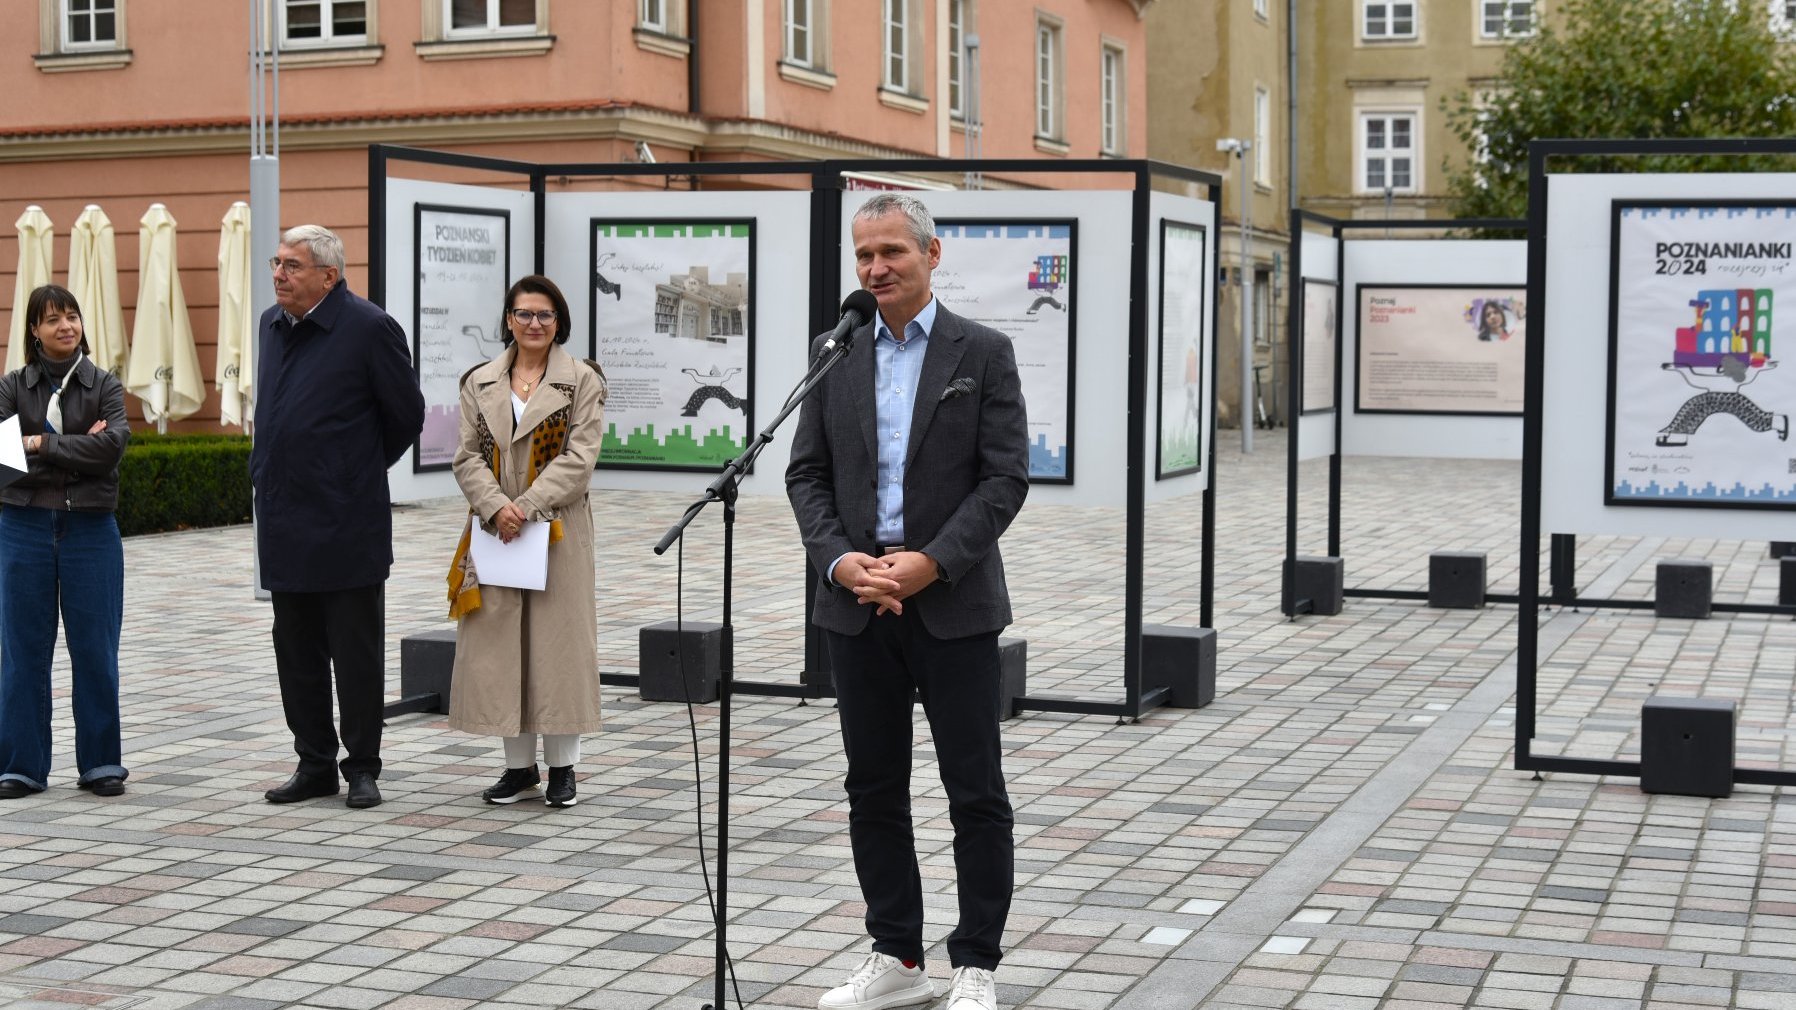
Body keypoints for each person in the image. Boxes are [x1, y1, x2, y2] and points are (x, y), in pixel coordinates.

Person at [786, 193, 1030, 1010]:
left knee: (975, 789)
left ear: (932, 252)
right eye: (864, 256)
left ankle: (977, 963)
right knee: (873, 787)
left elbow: (1004, 479)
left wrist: (932, 562)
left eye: (892, 252)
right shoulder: (835, 349)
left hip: (951, 605)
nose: (876, 269)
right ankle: (897, 955)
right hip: (858, 607)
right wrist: (837, 560)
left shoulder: (982, 352)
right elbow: (806, 474)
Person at [250, 225, 424, 809]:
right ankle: (314, 762)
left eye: (292, 266)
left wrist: (353, 470)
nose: (279, 273)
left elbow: (405, 415)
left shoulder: (370, 328)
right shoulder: (271, 326)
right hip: (284, 517)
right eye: (277, 263)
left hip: (347, 519)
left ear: (329, 275)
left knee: (354, 652)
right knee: (294, 649)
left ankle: (364, 766)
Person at [445, 275, 605, 808]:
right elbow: (466, 455)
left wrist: (528, 507)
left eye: (544, 315)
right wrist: (497, 507)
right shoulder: (480, 381)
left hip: (556, 527)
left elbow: (580, 459)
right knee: (501, 645)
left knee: (558, 648)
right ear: (508, 319)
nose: (533, 324)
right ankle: (518, 768)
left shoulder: (581, 380)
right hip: (495, 530)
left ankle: (564, 768)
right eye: (523, 314)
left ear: (559, 321)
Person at [0, 285, 130, 800]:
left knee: (95, 650)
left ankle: (101, 763)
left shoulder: (105, 385)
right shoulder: (12, 386)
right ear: (33, 329)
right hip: (22, 528)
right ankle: (20, 767)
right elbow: (4, 462)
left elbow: (111, 449)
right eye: (52, 319)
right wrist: (78, 448)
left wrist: (40, 442)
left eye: (71, 316)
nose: (65, 326)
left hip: (91, 531)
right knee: (22, 652)